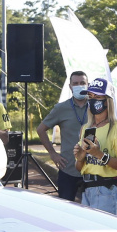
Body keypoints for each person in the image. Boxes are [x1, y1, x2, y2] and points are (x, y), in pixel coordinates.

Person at [71, 78, 117, 217]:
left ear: (108, 100)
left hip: (108, 190)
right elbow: (80, 167)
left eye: (97, 97)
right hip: (87, 190)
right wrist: (80, 159)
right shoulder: (85, 128)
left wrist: (99, 154)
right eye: (90, 97)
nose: (92, 101)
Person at [37, 71, 89, 202]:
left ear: (88, 85)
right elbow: (41, 129)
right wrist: (53, 154)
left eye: (82, 83)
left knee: (92, 212)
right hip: (68, 168)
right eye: (75, 83)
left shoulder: (96, 106)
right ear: (70, 86)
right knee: (67, 210)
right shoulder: (61, 108)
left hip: (92, 169)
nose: (79, 86)